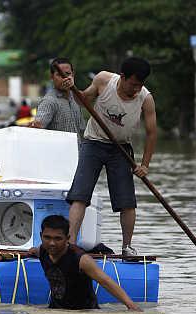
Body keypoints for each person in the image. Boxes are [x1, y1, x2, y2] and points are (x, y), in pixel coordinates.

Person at [66, 57, 157, 257]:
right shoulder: (103, 81)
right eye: (132, 84)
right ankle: (70, 243)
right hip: (93, 143)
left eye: (140, 85)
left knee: (127, 201)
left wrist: (145, 165)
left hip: (121, 149)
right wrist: (73, 89)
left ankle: (127, 247)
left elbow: (152, 133)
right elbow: (84, 99)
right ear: (122, 77)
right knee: (80, 195)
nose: (135, 89)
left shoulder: (145, 98)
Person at [33, 215, 141, 311]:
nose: (52, 243)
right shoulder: (42, 250)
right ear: (41, 235)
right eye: (47, 237)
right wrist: (31, 252)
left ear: (67, 238)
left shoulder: (81, 259)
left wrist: (130, 305)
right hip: (56, 310)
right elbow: (35, 251)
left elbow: (105, 281)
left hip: (84, 313)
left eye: (58, 239)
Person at [28, 57, 86, 136]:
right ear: (52, 77)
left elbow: (82, 130)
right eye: (59, 75)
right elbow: (39, 125)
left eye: (67, 74)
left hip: (78, 147)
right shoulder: (49, 101)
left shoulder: (76, 99)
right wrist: (36, 126)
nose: (64, 78)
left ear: (73, 75)